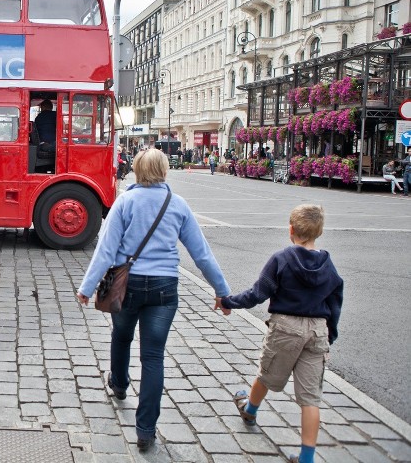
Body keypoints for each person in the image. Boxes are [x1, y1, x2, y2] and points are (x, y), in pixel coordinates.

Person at [76, 149, 231, 452]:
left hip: (127, 285)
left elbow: (106, 250)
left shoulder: (126, 202)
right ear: (165, 170)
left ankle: (119, 384)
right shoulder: (178, 205)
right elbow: (201, 255)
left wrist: (88, 286)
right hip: (164, 288)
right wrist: (222, 292)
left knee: (121, 336)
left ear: (136, 170)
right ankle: (145, 429)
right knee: (153, 357)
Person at [219, 204, 343, 463]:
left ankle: (250, 409)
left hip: (286, 327)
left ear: (291, 230)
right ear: (318, 232)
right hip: (317, 330)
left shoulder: (282, 259)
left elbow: (257, 294)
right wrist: (330, 333)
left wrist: (227, 302)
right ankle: (307, 458)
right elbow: (335, 301)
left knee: (267, 374)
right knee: (311, 398)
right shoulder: (328, 264)